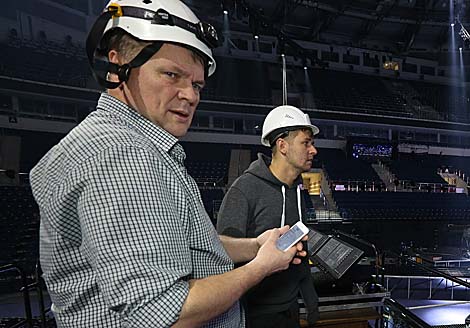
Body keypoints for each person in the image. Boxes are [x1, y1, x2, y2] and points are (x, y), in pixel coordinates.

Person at [29, 1, 306, 327]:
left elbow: (185, 246)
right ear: (117, 66)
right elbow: (165, 314)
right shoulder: (122, 156)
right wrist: (260, 266)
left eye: (197, 84)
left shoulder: (141, 149)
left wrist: (255, 246)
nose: (190, 96)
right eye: (172, 74)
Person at [217, 105, 320, 327]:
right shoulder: (244, 190)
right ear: (282, 145)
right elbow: (222, 251)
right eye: (306, 142)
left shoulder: (296, 188)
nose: (313, 150)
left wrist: (309, 301)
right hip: (254, 316)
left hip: (290, 310)